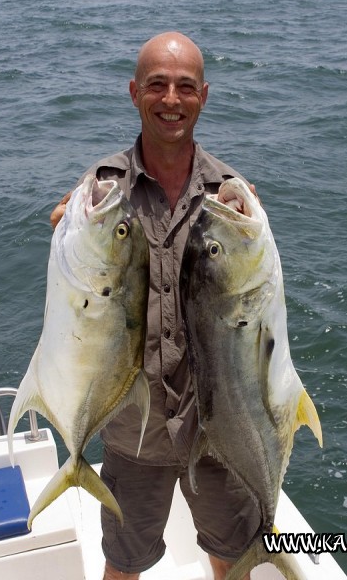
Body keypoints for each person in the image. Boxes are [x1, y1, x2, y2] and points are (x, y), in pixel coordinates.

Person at [50, 31, 260, 580]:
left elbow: (253, 308)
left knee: (233, 561)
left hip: (215, 427)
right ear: (134, 92)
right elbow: (79, 294)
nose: (171, 99)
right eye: (157, 85)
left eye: (185, 87)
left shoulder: (230, 197)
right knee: (123, 564)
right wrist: (66, 229)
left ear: (204, 96)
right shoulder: (103, 189)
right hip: (131, 433)